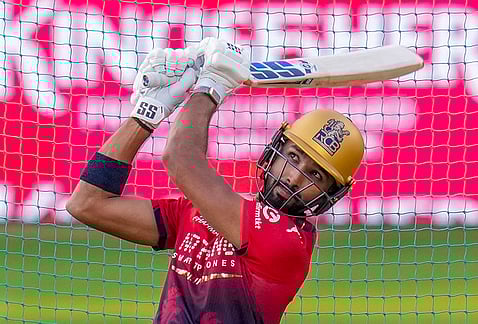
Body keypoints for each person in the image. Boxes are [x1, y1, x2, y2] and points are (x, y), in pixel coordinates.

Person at [66, 38, 365, 324]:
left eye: (315, 175)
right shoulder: (199, 212)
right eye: (294, 157)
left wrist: (212, 86)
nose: (294, 176)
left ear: (330, 193)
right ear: (273, 152)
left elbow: (180, 159)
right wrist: (147, 113)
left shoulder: (287, 242)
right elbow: (87, 204)